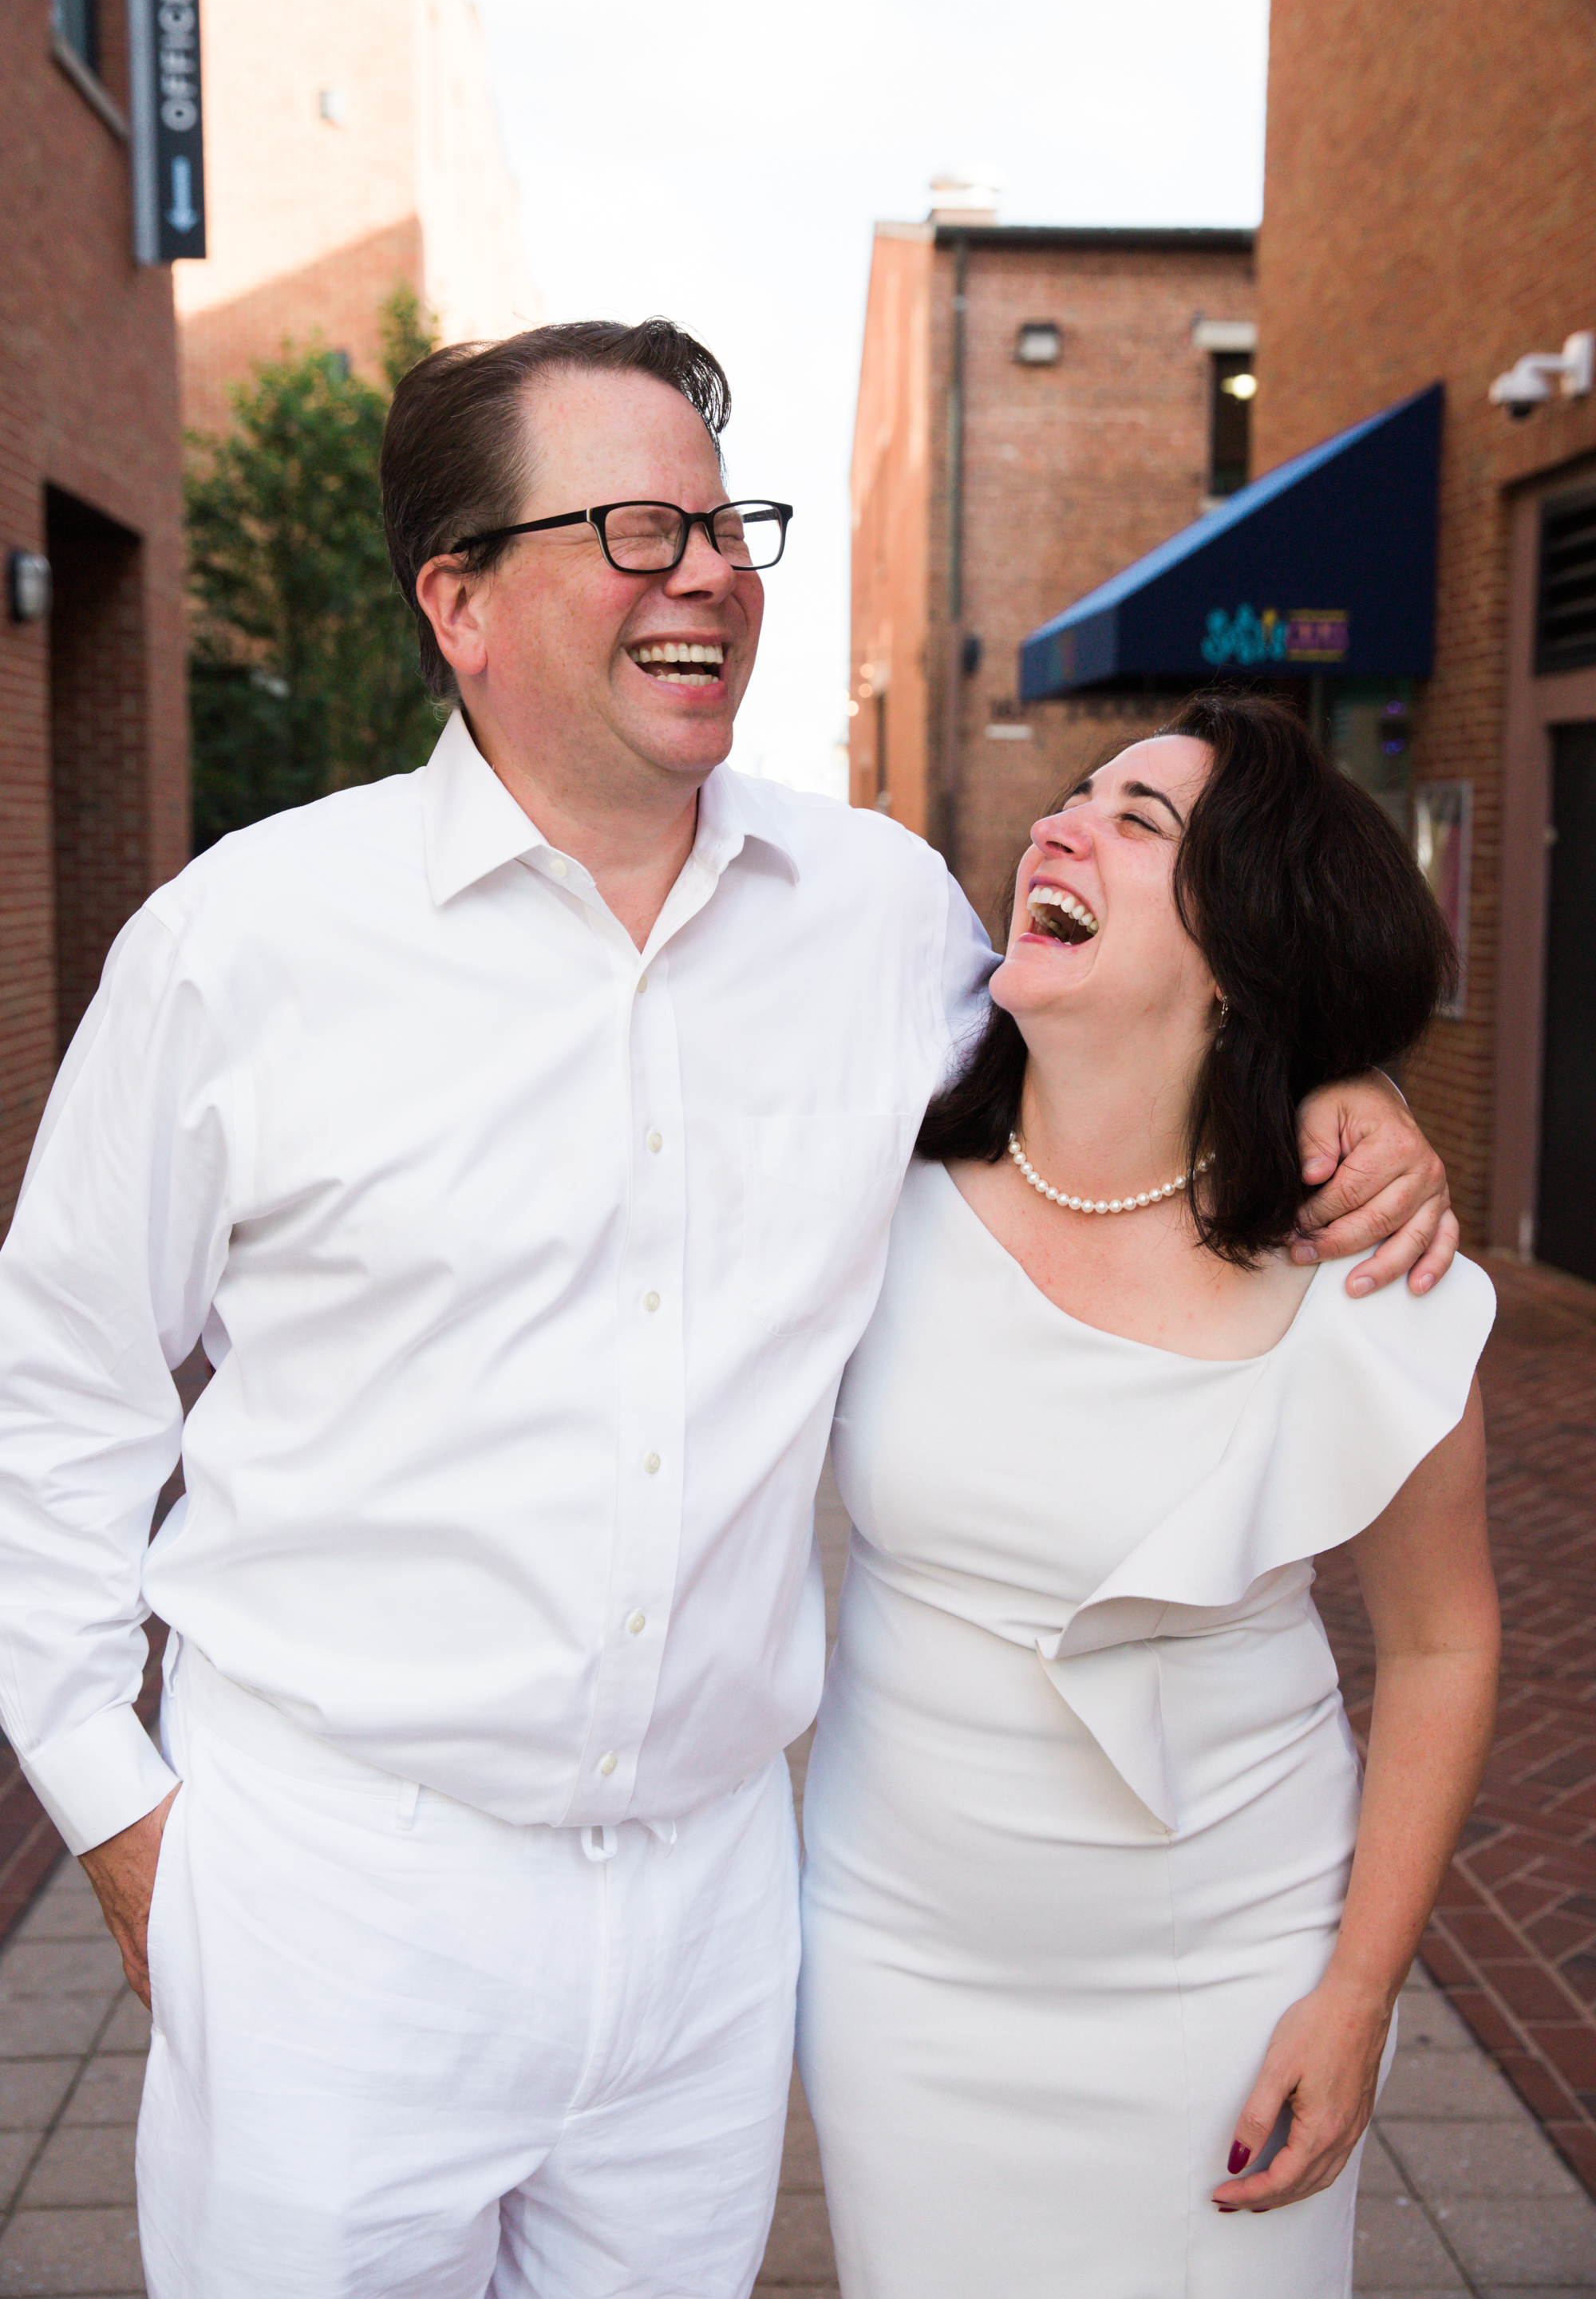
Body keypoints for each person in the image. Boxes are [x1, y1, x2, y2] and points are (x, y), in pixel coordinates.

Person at [0, 326, 1453, 2299]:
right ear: (460, 602)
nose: (704, 570)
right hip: (338, 1886)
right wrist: (113, 1808)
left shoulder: (879, 923)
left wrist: (1352, 1098)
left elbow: (1164, 1041)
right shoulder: (243, 947)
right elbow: (58, 1384)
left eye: (723, 521)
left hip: (709, 1915)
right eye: (631, 527)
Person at [796, 694, 1499, 2299]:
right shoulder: (866, 1186)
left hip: (1231, 1983)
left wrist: (1356, 1992)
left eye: (1139, 824)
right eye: (1074, 796)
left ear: (1240, 953)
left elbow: (1445, 1647)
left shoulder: (1359, 1267)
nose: (1060, 827)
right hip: (904, 1976)